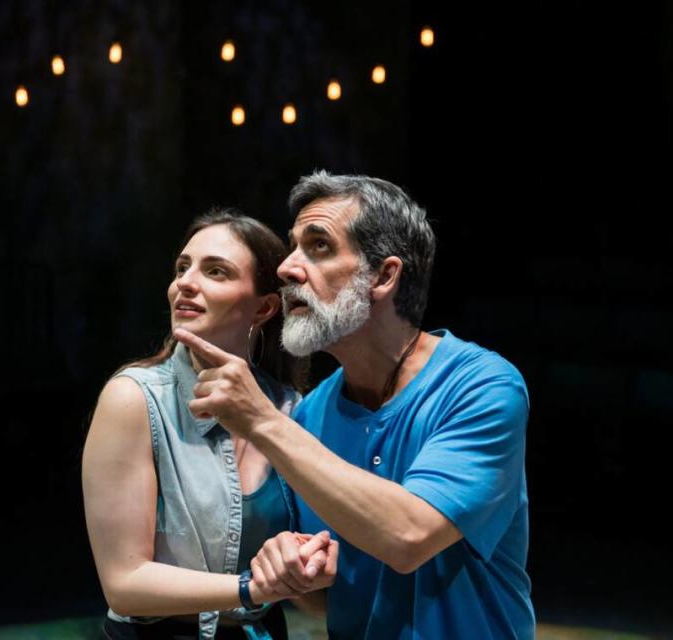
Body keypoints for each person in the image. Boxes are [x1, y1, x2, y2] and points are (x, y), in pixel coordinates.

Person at [173, 172, 535, 639]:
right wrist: (290, 563)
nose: (287, 268)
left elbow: (408, 537)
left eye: (318, 246)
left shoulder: (481, 386)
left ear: (384, 276)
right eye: (293, 245)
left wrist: (261, 420)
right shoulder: (309, 416)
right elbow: (318, 596)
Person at [82, 208, 339, 640]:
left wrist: (310, 566)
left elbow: (310, 596)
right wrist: (250, 589)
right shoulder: (134, 399)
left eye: (215, 271)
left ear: (264, 307)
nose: (185, 282)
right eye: (182, 267)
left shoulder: (294, 411)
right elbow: (124, 584)